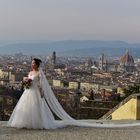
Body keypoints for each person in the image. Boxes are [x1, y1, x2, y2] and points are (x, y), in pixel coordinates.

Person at [7, 58, 140, 129]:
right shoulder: (30, 72)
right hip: (28, 92)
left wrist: (41, 94)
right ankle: (25, 123)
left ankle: (37, 124)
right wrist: (26, 84)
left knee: (36, 109)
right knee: (26, 108)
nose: (31, 65)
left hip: (36, 93)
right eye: (31, 63)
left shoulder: (39, 73)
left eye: (33, 63)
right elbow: (28, 80)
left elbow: (41, 85)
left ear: (37, 65)